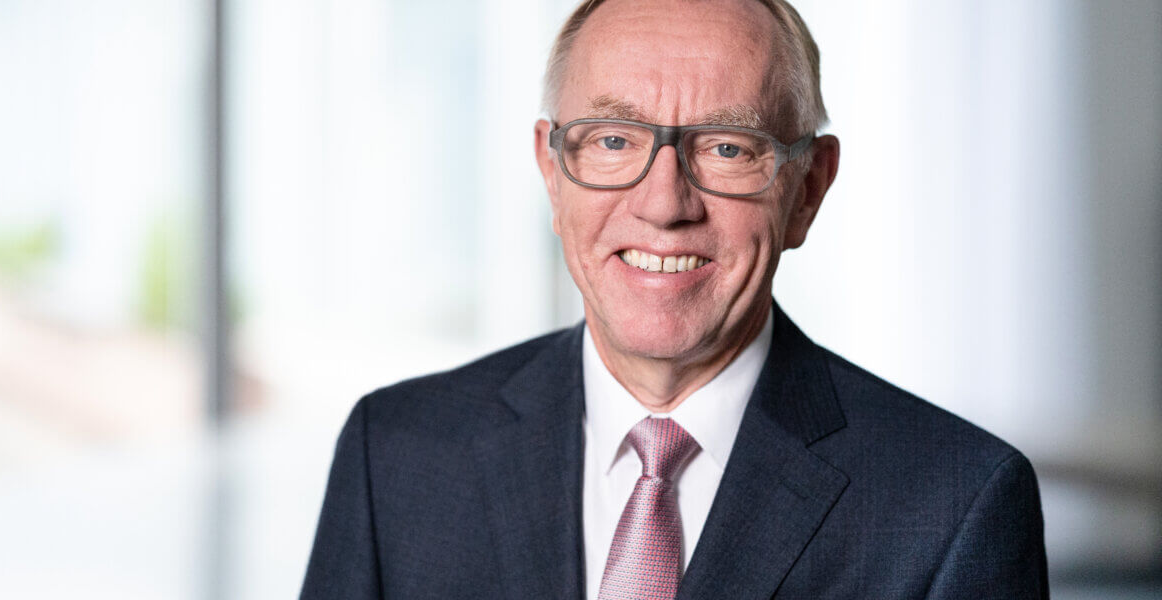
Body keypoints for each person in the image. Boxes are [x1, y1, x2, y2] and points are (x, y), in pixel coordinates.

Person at [300, 0, 1049, 598]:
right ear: (552, 174)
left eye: (727, 147)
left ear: (808, 191)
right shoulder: (394, 455)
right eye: (613, 140)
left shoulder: (954, 505)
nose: (664, 204)